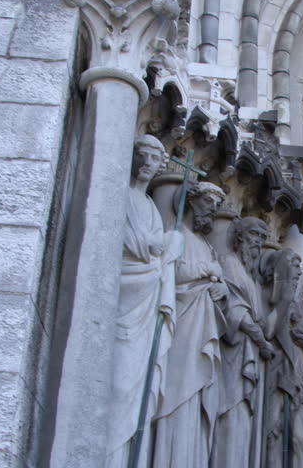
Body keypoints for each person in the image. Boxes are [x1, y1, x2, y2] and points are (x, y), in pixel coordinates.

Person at [106, 134, 181, 468]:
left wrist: (168, 249)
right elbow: (122, 243)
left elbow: (153, 254)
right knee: (118, 386)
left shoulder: (150, 206)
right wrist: (160, 248)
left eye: (155, 158)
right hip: (125, 300)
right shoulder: (118, 195)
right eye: (143, 155)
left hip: (145, 305)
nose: (148, 163)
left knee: (137, 390)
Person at [152, 181, 229, 468]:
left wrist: (221, 288)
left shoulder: (207, 245)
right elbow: (169, 271)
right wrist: (208, 270)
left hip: (202, 325)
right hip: (181, 327)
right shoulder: (176, 234)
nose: (212, 211)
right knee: (177, 389)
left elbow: (216, 282)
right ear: (192, 201)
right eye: (208, 203)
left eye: (216, 206)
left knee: (196, 393)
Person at [213, 217, 275, 468]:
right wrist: (262, 343)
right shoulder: (228, 262)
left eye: (262, 238)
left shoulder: (251, 277)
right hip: (234, 352)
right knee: (231, 411)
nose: (258, 242)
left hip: (248, 352)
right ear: (239, 237)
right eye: (254, 235)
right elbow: (235, 311)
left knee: (243, 417)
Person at [262, 249, 303, 468]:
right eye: (295, 267)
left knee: (299, 437)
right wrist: (284, 301)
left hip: (297, 374)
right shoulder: (269, 296)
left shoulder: (297, 305)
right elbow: (268, 331)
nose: (299, 273)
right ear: (283, 269)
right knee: (272, 432)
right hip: (276, 373)